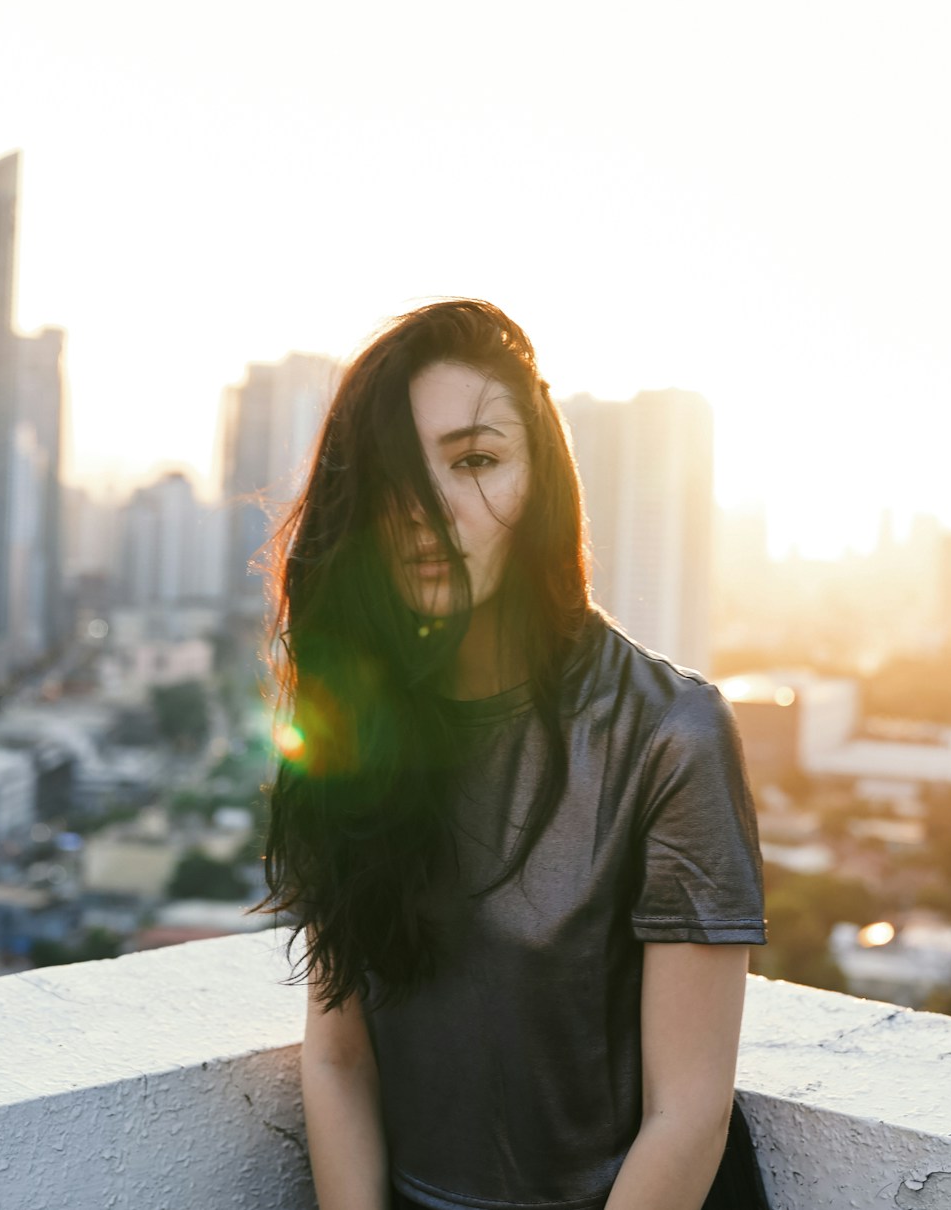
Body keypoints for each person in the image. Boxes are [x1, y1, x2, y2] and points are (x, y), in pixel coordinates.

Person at [257, 299, 769, 1210]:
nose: (428, 511)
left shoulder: (669, 733)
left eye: (475, 461)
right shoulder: (351, 726)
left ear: (544, 481)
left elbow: (689, 1112)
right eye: (393, 477)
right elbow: (338, 1057)